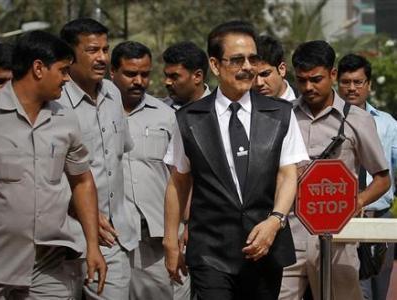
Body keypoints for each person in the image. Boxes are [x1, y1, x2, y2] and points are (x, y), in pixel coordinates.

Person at [163, 20, 309, 299]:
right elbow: (179, 181)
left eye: (252, 59)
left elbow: (288, 174)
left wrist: (275, 220)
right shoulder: (189, 119)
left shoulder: (280, 114)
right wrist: (171, 241)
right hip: (210, 252)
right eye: (237, 60)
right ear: (215, 65)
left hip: (265, 246)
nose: (248, 67)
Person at [0, 30, 106, 299]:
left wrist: (93, 246)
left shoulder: (65, 117)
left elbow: (82, 181)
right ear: (38, 68)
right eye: (63, 70)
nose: (66, 78)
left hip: (50, 265)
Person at [279, 41, 391, 300]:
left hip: (338, 237)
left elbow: (382, 179)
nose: (308, 87)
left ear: (332, 74)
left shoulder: (358, 119)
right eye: (302, 80)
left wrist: (357, 201)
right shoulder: (284, 116)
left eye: (316, 79)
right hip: (289, 236)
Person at [59, 18, 134, 300]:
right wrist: (82, 210)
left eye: (105, 49)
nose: (102, 57)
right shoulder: (53, 101)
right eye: (92, 50)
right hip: (63, 237)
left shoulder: (114, 93)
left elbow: (120, 158)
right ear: (69, 55)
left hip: (112, 238)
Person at [111, 40, 191, 300]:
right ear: (113, 73)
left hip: (156, 238)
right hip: (112, 238)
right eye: (131, 74)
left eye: (144, 74)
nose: (139, 81)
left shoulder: (166, 116)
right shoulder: (97, 114)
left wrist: (186, 225)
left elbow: (182, 174)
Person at [338, 53, 397, 300]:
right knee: (356, 292)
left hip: (380, 219)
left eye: (358, 82)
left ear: (369, 85)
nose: (352, 88)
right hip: (343, 220)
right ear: (336, 82)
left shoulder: (387, 124)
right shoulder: (331, 122)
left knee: (379, 291)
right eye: (346, 82)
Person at [162, 41, 210, 110]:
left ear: (197, 76)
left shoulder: (219, 111)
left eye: (174, 77)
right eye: (166, 76)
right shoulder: (159, 108)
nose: (167, 82)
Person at [253, 35, 297, 101]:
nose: (259, 83)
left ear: (282, 69)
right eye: (252, 76)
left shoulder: (307, 102)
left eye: (265, 74)